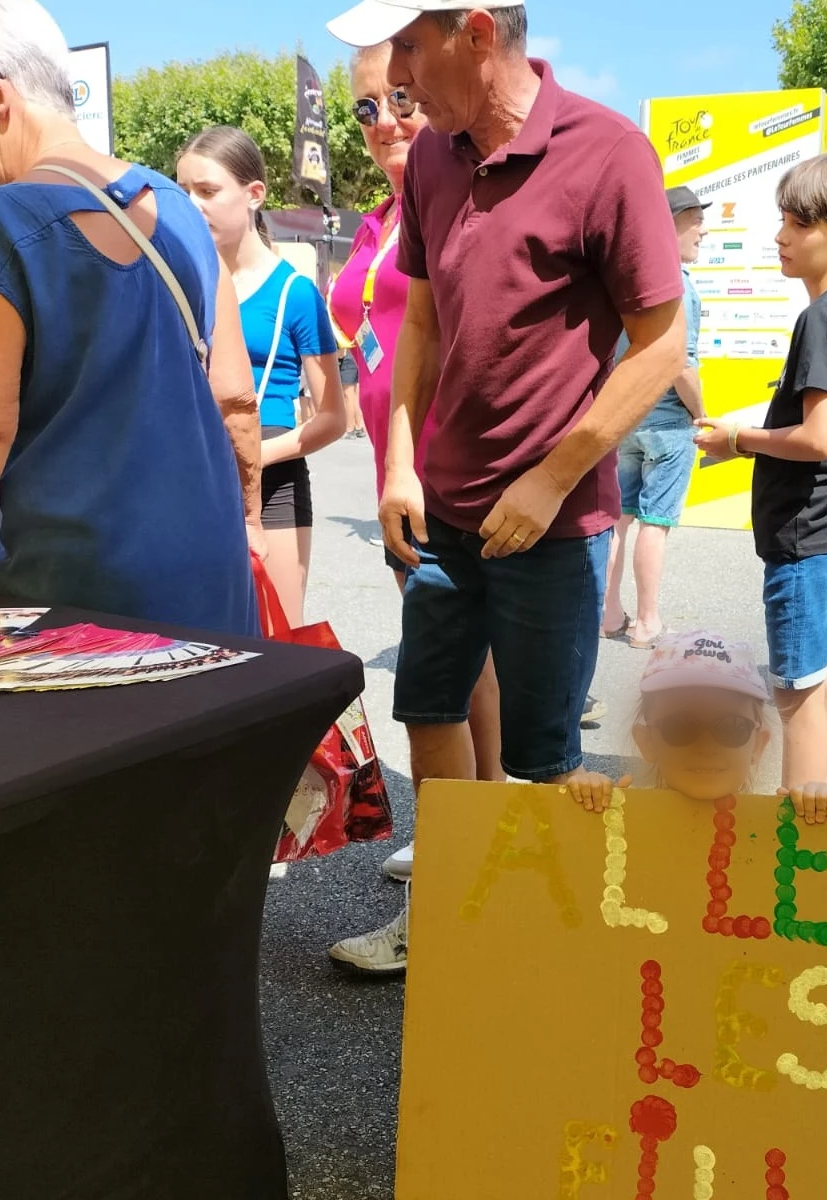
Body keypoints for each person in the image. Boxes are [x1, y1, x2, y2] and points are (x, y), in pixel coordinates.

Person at [324, 0, 686, 973]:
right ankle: (451, 928)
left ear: (477, 33)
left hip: (555, 524)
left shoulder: (608, 152)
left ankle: (562, 964)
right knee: (429, 709)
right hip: (442, 510)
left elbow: (662, 347)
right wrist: (400, 461)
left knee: (545, 757)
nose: (397, 77)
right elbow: (423, 323)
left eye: (409, 47)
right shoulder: (434, 162)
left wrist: (552, 479)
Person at [0, 0, 260, 636]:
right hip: (209, 583)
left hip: (75, 599)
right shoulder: (180, 209)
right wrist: (247, 520)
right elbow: (237, 397)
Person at [325, 41, 504, 892]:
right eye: (367, 107)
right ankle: (478, 835)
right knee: (458, 671)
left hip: (454, 475)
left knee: (452, 672)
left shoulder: (462, 194)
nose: (385, 121)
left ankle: (472, 851)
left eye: (401, 97)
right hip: (396, 474)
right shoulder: (379, 218)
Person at [694, 153, 827, 794]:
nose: (781, 236)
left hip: (807, 539)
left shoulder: (823, 317)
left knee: (797, 695)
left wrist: (736, 439)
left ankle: (797, 822)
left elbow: (817, 438)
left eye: (800, 224)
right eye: (783, 220)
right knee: (820, 683)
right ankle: (822, 809)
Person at [177, 126, 345, 629]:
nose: (191, 204)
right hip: (194, 477)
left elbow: (333, 418)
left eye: (207, 190)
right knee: (197, 642)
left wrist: (254, 454)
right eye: (182, 190)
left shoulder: (294, 292)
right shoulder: (180, 284)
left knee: (277, 643)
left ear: (254, 194)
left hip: (272, 483)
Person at [564, 630, 827, 828]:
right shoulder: (623, 815)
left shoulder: (775, 826)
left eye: (732, 727)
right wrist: (589, 801)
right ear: (646, 741)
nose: (706, 747)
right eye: (679, 727)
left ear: (758, 744)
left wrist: (817, 808)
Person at [603, 185, 708, 650]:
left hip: (625, 420)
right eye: (695, 220)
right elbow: (681, 364)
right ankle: (646, 622)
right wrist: (700, 413)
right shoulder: (678, 286)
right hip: (667, 423)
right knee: (655, 522)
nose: (703, 230)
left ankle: (608, 613)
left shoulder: (625, 281)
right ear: (671, 225)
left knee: (618, 520)